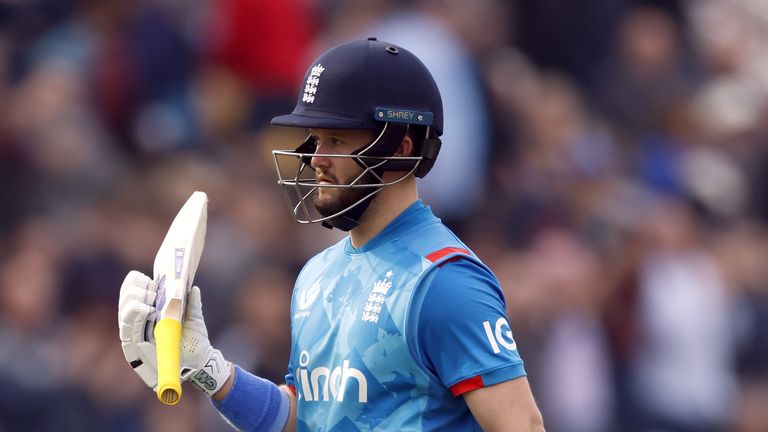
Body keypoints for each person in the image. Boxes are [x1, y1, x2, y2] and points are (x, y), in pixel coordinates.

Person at [118, 38, 545, 431]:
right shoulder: (315, 275)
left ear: (402, 146)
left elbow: (521, 426)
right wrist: (211, 371)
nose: (317, 159)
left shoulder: (443, 280)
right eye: (316, 139)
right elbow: (310, 419)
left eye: (337, 139)